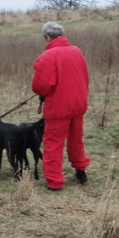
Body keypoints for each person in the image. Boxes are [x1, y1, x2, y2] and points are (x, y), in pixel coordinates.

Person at [31, 21, 90, 190]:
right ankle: (81, 170)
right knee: (76, 140)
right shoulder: (76, 51)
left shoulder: (47, 56)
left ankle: (54, 181)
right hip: (78, 103)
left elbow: (40, 86)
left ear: (47, 37)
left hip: (59, 107)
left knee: (52, 143)